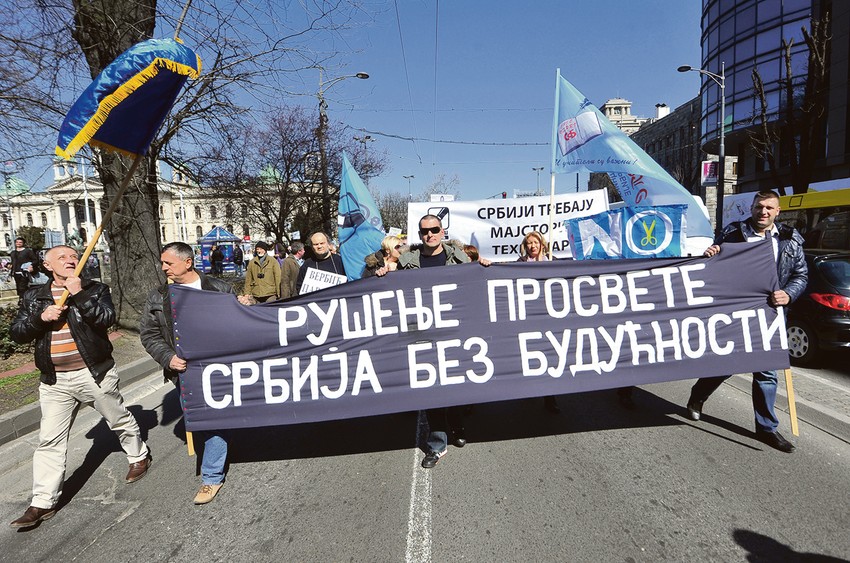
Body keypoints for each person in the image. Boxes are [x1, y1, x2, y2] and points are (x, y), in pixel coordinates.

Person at [9, 245, 151, 528]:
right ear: (48, 266)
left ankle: (139, 456)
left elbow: (106, 320)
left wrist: (79, 294)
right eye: (62, 257)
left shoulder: (95, 289)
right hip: (54, 381)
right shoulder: (34, 296)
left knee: (118, 419)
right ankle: (42, 502)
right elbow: (18, 333)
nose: (71, 260)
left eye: (74, 256)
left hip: (93, 373)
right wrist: (40, 318)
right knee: (49, 440)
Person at [687, 190, 807, 453]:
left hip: (770, 316)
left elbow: (801, 275)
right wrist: (711, 253)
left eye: (769, 208)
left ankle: (767, 428)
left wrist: (788, 294)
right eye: (759, 207)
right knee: (725, 364)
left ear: (778, 212)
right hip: (736, 314)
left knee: (766, 372)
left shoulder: (790, 239)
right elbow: (713, 270)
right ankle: (698, 396)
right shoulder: (732, 234)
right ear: (751, 208)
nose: (763, 212)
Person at [140, 242, 252, 504]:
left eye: (169, 263)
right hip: (186, 372)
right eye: (163, 263)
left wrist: (246, 306)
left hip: (220, 367)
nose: (163, 267)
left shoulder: (219, 289)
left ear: (187, 262)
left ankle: (211, 475)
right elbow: (149, 334)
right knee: (204, 418)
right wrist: (168, 358)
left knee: (216, 416)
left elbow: (239, 325)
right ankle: (216, 461)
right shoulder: (158, 296)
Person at [385, 214, 490, 469]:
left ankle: (456, 425)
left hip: (454, 332)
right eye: (424, 231)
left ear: (442, 231)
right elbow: (391, 289)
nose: (429, 235)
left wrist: (484, 267)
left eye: (434, 230)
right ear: (419, 234)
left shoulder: (460, 258)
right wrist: (382, 273)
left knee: (454, 384)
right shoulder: (409, 262)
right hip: (422, 336)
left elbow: (474, 286)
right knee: (431, 390)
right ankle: (437, 444)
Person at [516, 231, 561, 414]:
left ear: (542, 244)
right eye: (529, 243)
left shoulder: (553, 261)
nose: (532, 246)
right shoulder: (520, 264)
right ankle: (528, 389)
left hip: (549, 317)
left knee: (549, 357)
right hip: (529, 318)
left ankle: (550, 397)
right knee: (531, 355)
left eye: (535, 242)